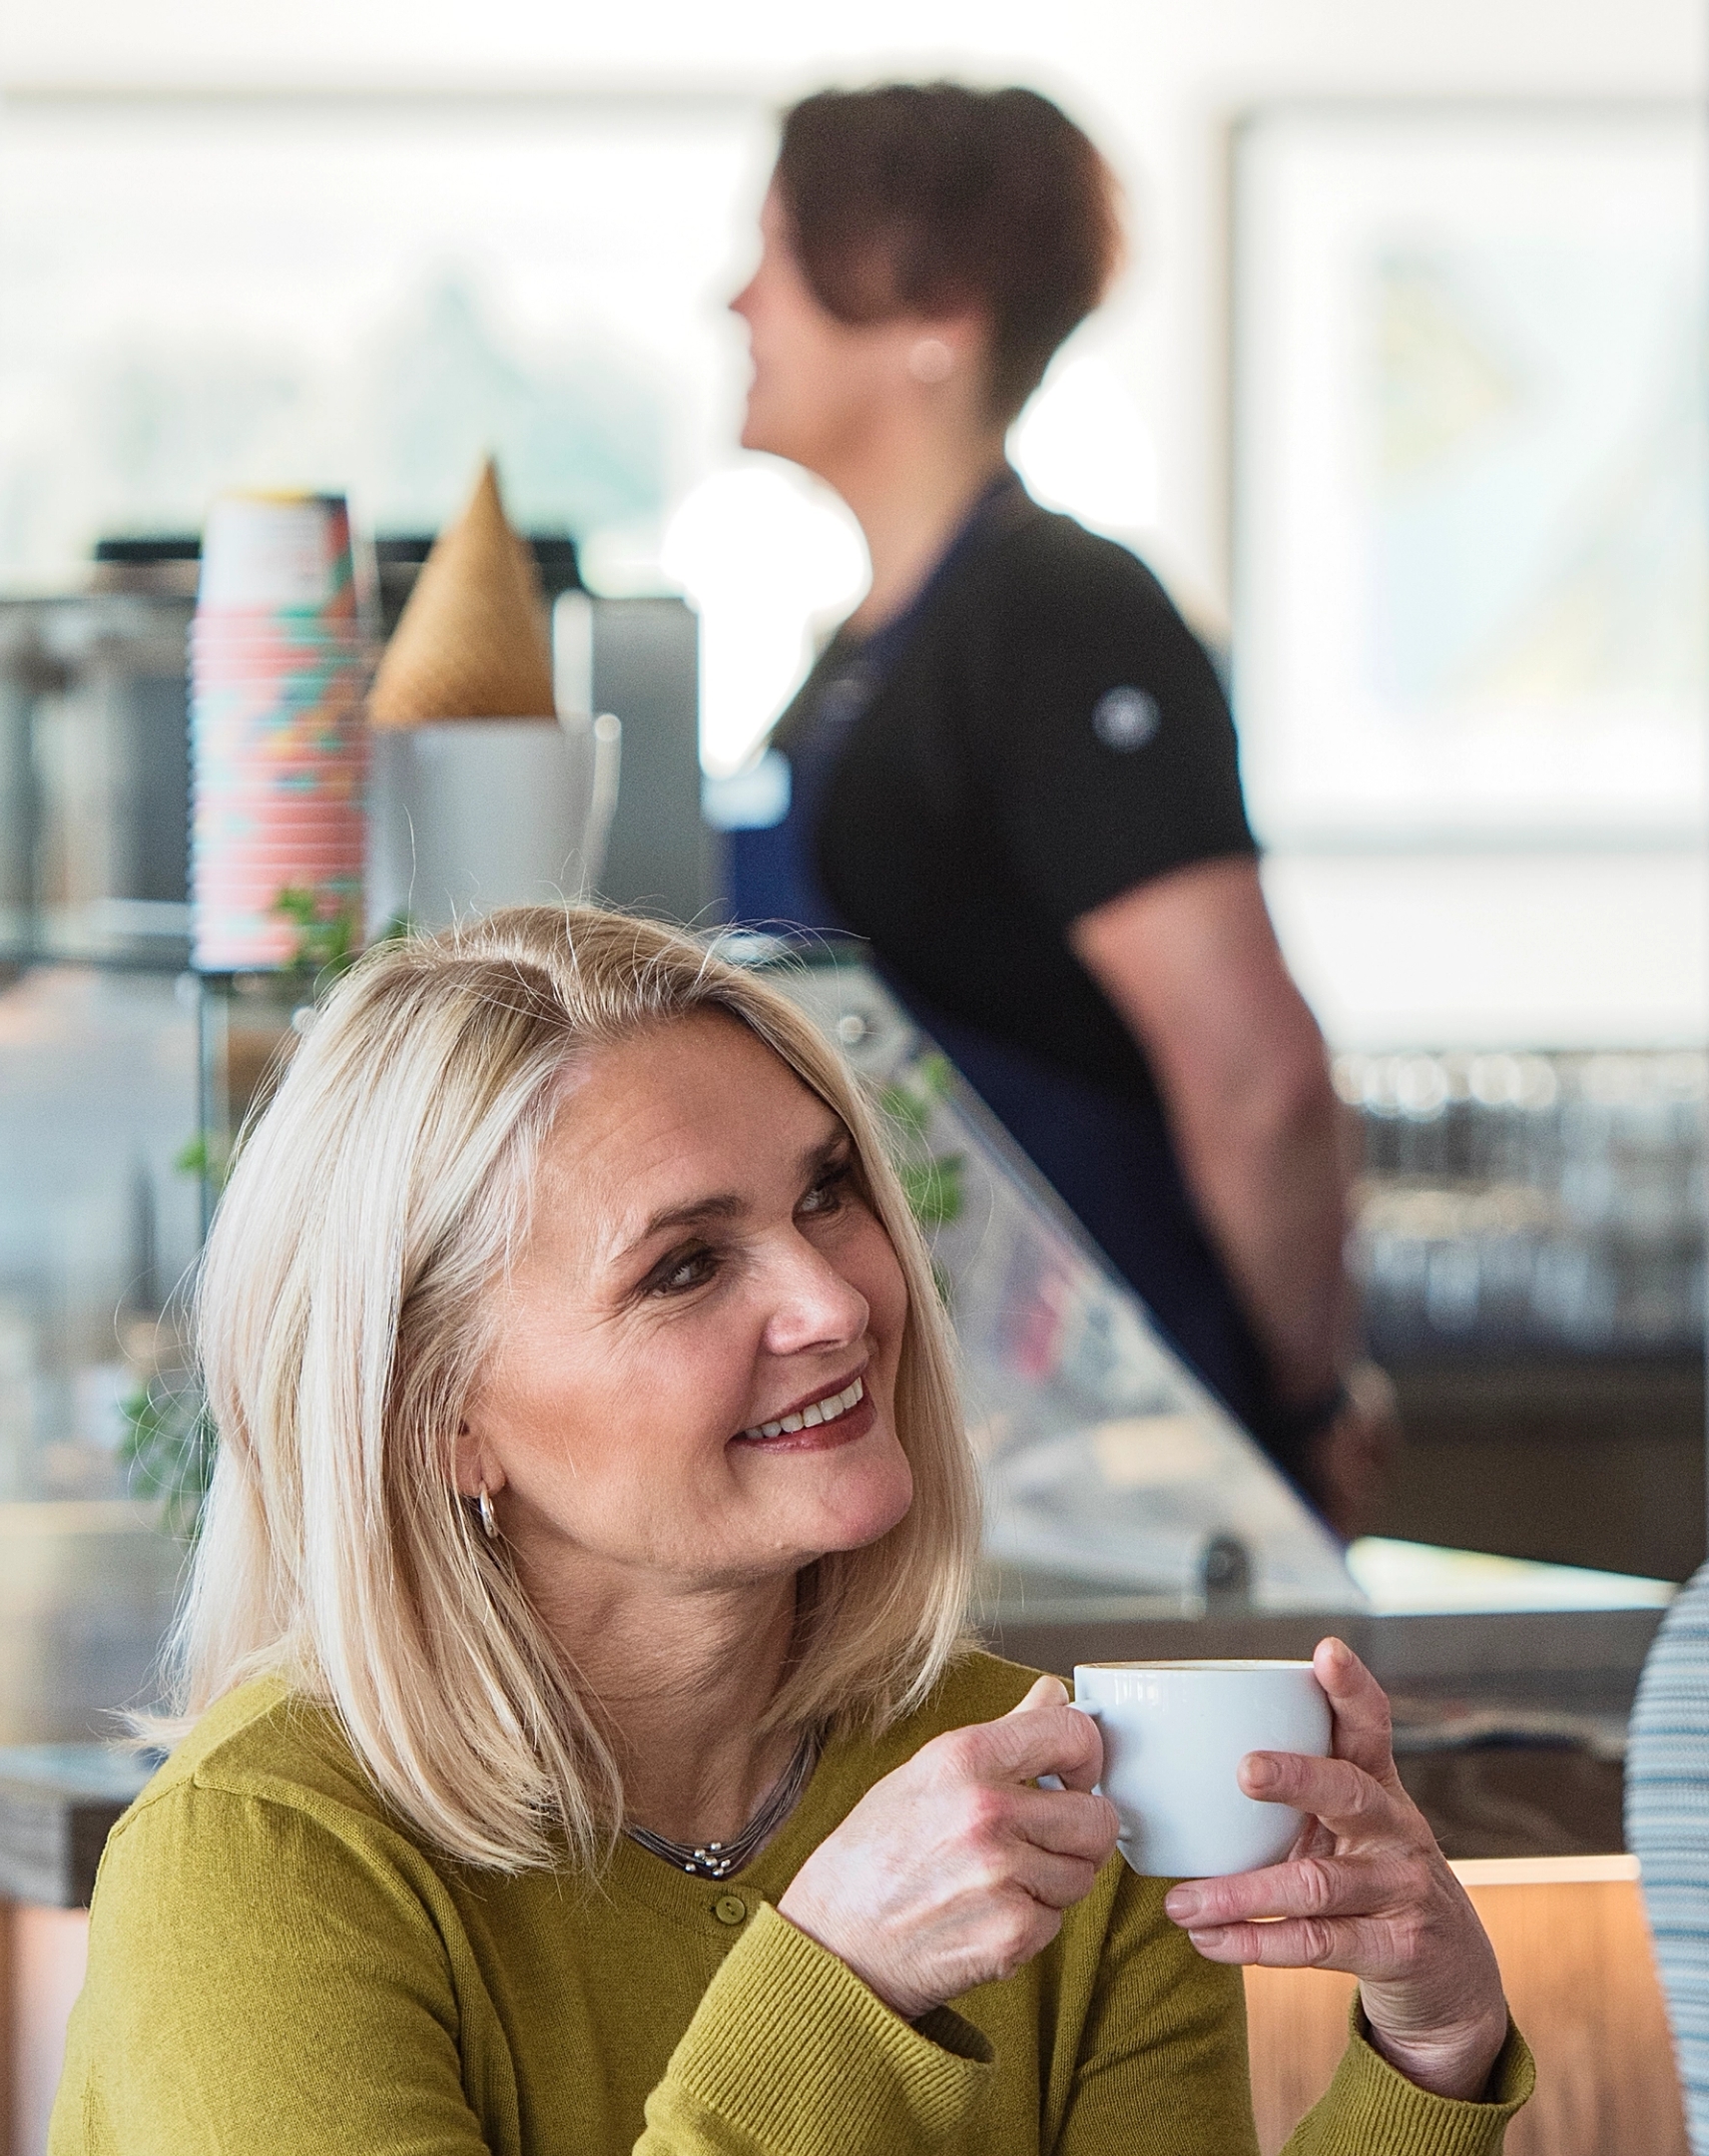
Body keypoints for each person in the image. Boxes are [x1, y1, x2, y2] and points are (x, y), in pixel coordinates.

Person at [51, 906, 1529, 2155]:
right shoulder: (260, 1866)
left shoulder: (1036, 1775)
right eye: (687, 1267)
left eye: (829, 1197)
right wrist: (836, 1988)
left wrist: (1434, 2058)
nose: (836, 1301)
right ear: (440, 1421)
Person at [719, 83, 1394, 1535]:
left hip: (1119, 1450)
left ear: (934, 315)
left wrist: (1296, 1402)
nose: (736, 302)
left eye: (777, 254)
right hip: (964, 1433)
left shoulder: (1063, 616)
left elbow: (1257, 1081)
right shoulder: (857, 658)